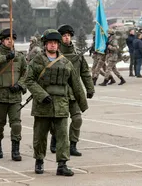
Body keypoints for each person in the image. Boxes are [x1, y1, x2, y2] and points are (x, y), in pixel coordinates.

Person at [26, 29, 88, 176]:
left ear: (58, 45)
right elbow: (28, 80)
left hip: (61, 105)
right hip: (42, 105)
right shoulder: (37, 61)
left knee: (62, 137)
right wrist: (41, 94)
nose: (53, 45)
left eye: (55, 43)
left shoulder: (66, 63)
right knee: (40, 136)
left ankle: (62, 164)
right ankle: (39, 161)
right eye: (50, 43)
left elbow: (75, 84)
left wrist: (82, 103)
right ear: (45, 45)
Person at [49, 24, 94, 156]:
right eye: (64, 35)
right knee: (57, 121)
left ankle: (72, 144)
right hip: (59, 93)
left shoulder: (77, 55)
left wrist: (90, 88)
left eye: (68, 35)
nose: (66, 38)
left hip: (74, 93)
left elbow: (85, 72)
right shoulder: (54, 55)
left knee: (77, 119)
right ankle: (55, 139)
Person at [0, 28, 27, 161]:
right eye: (7, 39)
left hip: (15, 96)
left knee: (16, 124)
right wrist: (6, 57)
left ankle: (15, 150)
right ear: (2, 40)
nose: (10, 41)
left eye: (12, 39)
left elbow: (25, 73)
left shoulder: (20, 56)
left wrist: (20, 85)